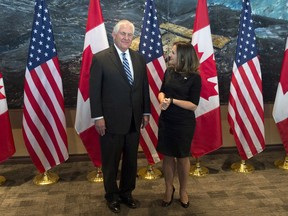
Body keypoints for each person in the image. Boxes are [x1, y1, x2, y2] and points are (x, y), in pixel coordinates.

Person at [89, 20, 150, 213]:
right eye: (122, 34)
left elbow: (144, 88)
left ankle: (126, 193)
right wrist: (98, 117)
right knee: (111, 162)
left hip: (134, 120)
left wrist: (146, 111)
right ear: (114, 35)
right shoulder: (100, 59)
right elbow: (94, 91)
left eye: (129, 35)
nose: (126, 38)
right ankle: (112, 196)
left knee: (131, 161)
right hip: (110, 122)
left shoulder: (139, 59)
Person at [156, 41, 201, 208]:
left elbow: (193, 105)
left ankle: (183, 190)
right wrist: (163, 100)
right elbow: (161, 91)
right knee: (167, 156)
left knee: (182, 157)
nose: (170, 55)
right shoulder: (168, 72)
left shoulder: (195, 77)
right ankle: (169, 188)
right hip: (166, 122)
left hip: (183, 123)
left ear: (183, 57)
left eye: (173, 53)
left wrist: (172, 101)